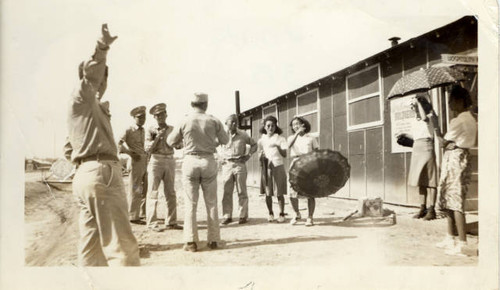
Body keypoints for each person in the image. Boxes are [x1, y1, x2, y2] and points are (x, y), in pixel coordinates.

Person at [65, 24, 140, 266]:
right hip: (100, 172)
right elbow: (91, 76)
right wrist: (102, 47)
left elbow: (69, 148)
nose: (103, 82)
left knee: (92, 249)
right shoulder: (83, 96)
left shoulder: (87, 109)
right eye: (102, 77)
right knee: (122, 249)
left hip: (86, 175)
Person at [167, 93, 229, 252]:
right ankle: (214, 240)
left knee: (190, 204)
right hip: (208, 160)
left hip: (190, 160)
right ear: (206, 104)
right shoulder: (213, 120)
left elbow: (170, 141)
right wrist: (211, 141)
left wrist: (183, 143)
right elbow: (225, 140)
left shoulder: (185, 119)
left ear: (191, 104)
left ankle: (190, 242)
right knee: (212, 203)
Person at [435, 85, 477, 256]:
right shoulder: (471, 118)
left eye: (452, 101)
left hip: (454, 159)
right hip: (462, 157)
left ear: (459, 101)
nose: (450, 105)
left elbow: (442, 142)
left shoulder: (458, 120)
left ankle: (462, 242)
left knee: (454, 200)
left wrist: (434, 126)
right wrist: (450, 142)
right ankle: (450, 237)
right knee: (451, 198)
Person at [145, 103, 183, 232]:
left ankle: (171, 221)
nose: (160, 117)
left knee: (170, 192)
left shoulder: (172, 129)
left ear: (166, 114)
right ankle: (152, 223)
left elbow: (179, 145)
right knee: (153, 192)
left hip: (170, 160)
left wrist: (178, 142)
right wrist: (158, 137)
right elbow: (148, 149)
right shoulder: (150, 129)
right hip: (156, 160)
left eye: (162, 114)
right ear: (154, 117)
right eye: (157, 115)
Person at [405, 93, 440, 220]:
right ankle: (422, 208)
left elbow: (425, 119)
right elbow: (415, 136)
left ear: (421, 104)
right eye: (412, 106)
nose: (412, 108)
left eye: (414, 105)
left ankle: (432, 209)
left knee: (431, 180)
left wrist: (418, 101)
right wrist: (403, 134)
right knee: (421, 180)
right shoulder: (415, 120)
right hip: (417, 148)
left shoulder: (431, 116)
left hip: (427, 147)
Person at [220, 114, 257, 225]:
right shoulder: (222, 135)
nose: (234, 124)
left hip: (240, 164)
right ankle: (227, 216)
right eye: (232, 122)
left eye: (235, 122)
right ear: (226, 124)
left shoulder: (243, 134)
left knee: (242, 191)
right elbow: (213, 146)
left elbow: (254, 144)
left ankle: (243, 216)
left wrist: (248, 155)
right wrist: (219, 158)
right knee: (227, 191)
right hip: (227, 165)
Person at [118, 106, 148, 224]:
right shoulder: (129, 129)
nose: (142, 119)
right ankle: (133, 216)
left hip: (144, 161)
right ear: (134, 117)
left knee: (144, 189)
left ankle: (141, 213)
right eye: (139, 117)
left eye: (144, 117)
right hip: (135, 162)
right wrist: (130, 153)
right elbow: (119, 144)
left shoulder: (143, 130)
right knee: (135, 188)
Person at [287, 116, 319, 226]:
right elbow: (288, 146)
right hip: (295, 163)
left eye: (298, 124)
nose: (296, 126)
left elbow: (317, 152)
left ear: (303, 125)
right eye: (294, 124)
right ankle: (297, 214)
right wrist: (296, 134)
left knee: (310, 192)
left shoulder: (311, 138)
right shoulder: (291, 137)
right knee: (292, 192)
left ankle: (310, 217)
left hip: (309, 164)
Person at [258, 115, 287, 223]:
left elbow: (285, 154)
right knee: (268, 192)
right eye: (268, 125)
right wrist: (261, 156)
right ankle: (270, 213)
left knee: (279, 192)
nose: (270, 128)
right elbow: (259, 156)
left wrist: (278, 146)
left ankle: (281, 213)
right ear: (265, 127)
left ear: (276, 126)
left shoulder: (281, 138)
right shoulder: (261, 140)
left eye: (273, 125)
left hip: (278, 166)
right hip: (266, 167)